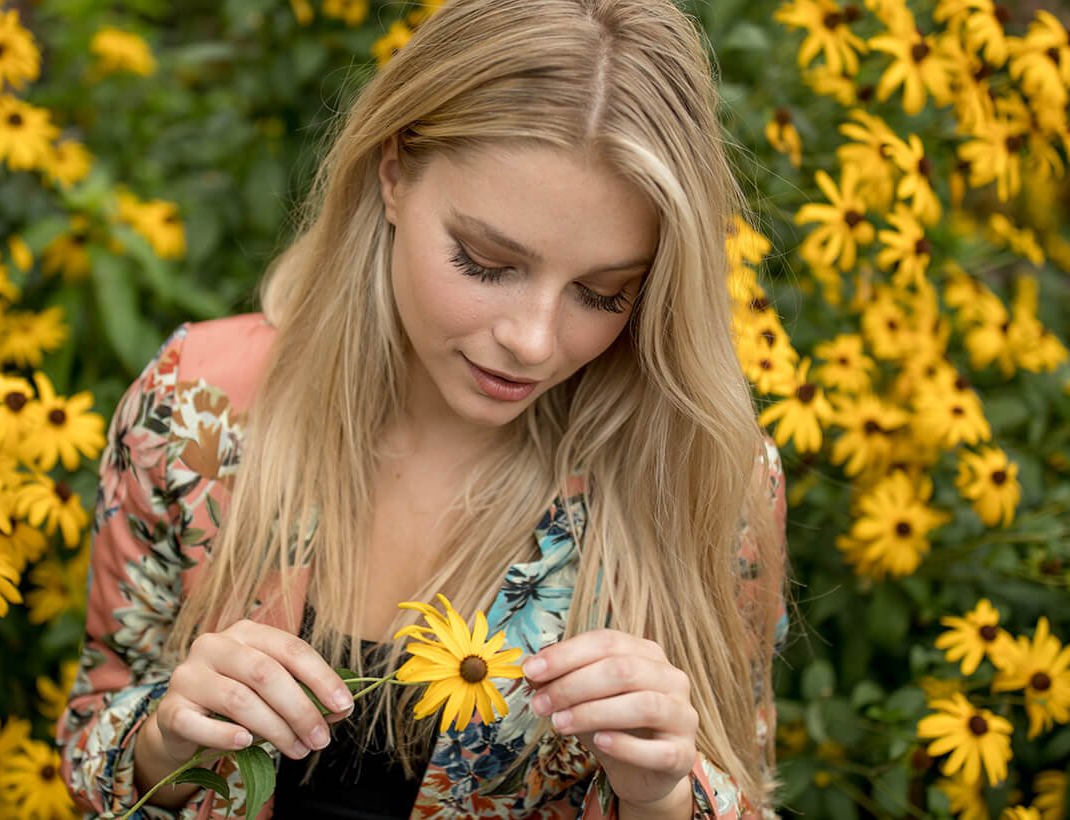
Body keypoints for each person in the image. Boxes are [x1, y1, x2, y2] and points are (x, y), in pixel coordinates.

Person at [56, 0, 792, 816]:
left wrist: (662, 795)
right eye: (484, 263)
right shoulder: (196, 411)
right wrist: (166, 738)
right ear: (393, 171)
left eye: (604, 292)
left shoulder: (700, 474)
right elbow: (94, 737)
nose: (535, 341)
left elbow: (745, 788)